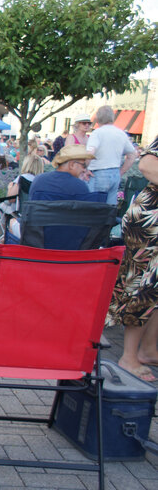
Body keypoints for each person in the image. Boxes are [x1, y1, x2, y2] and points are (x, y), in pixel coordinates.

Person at [106, 136, 158, 382]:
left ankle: (147, 350)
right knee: (144, 287)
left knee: (153, 289)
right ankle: (128, 357)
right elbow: (148, 165)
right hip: (152, 220)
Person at [86, 105, 138, 205]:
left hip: (98, 172)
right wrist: (121, 171)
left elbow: (90, 152)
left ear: (97, 118)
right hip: (115, 173)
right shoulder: (121, 134)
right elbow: (132, 155)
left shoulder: (97, 133)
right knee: (110, 208)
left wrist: (85, 169)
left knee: (93, 207)